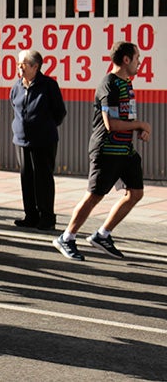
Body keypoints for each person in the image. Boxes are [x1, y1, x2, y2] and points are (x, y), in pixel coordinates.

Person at [53, 41, 151, 262]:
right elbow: (111, 124)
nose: (140, 62)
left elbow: (127, 119)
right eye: (137, 58)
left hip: (125, 151)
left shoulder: (128, 84)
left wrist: (139, 130)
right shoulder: (109, 85)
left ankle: (102, 235)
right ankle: (66, 237)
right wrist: (141, 125)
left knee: (136, 193)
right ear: (126, 59)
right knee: (94, 196)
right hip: (106, 150)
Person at [10, 49, 66, 230]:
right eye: (18, 63)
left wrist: (44, 127)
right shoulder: (17, 86)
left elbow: (59, 112)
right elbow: (15, 107)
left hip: (44, 140)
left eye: (23, 64)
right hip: (21, 140)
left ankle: (47, 217)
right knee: (26, 178)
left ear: (35, 67)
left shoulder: (48, 85)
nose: (19, 67)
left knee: (43, 178)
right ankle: (31, 215)